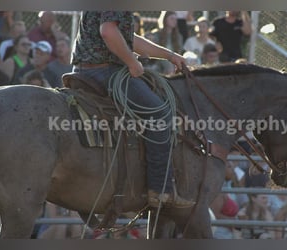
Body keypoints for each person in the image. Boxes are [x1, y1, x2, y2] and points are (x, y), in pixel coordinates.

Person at [70, 11, 194, 208]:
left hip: (86, 69)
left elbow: (126, 39)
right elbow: (109, 32)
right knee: (160, 114)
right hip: (104, 71)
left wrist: (169, 56)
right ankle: (160, 189)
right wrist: (132, 63)